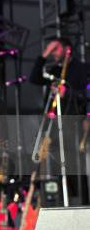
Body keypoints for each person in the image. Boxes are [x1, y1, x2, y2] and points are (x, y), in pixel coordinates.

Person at [29, 37, 90, 204]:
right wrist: (44, 54)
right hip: (54, 124)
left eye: (56, 49)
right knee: (54, 163)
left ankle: (81, 204)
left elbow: (86, 95)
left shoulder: (82, 69)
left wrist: (67, 94)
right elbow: (34, 78)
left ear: (67, 49)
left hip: (74, 122)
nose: (54, 54)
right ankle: (60, 202)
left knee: (74, 166)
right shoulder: (55, 70)